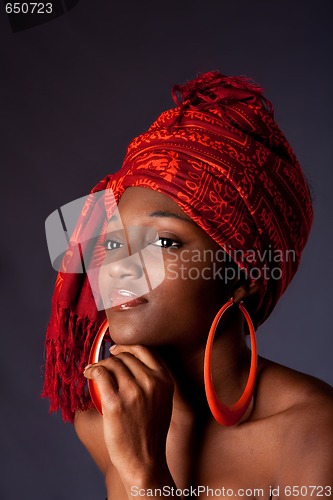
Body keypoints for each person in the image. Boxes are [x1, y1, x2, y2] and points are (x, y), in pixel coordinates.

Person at [42, 72, 333, 499]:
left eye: (163, 242)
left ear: (247, 276)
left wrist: (146, 477)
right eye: (114, 240)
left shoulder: (315, 434)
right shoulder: (104, 422)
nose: (119, 266)